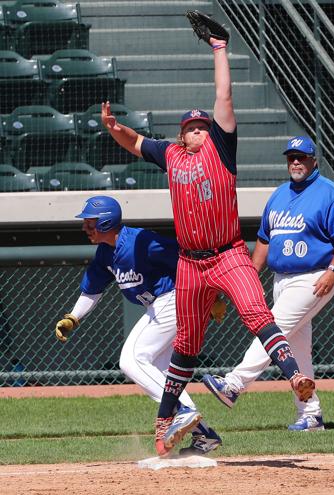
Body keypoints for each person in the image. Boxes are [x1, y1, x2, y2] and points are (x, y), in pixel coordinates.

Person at [101, 30, 316, 458]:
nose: (200, 130)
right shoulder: (172, 155)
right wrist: (114, 128)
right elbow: (136, 143)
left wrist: (220, 48)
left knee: (257, 314)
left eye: (203, 125)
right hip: (190, 264)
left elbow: (225, 96)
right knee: (186, 346)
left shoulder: (222, 148)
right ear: (182, 134)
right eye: (193, 127)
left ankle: (295, 377)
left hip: (229, 254)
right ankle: (166, 423)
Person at [202, 136, 334, 431]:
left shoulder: (329, 193)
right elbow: (264, 240)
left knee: (271, 329)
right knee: (297, 347)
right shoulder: (279, 195)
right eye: (291, 157)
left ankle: (234, 385)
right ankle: (311, 415)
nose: (296, 162)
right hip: (282, 279)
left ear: (314, 160)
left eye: (301, 157)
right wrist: (248, 276)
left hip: (314, 277)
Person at [55, 195, 223, 456]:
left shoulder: (140, 241)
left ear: (106, 221)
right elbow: (92, 290)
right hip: (161, 305)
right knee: (160, 374)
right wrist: (74, 317)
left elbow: (186, 259)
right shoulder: (105, 253)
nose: (85, 228)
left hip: (175, 297)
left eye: (90, 223)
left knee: (132, 359)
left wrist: (212, 294)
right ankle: (204, 435)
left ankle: (186, 413)